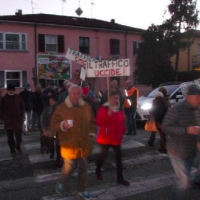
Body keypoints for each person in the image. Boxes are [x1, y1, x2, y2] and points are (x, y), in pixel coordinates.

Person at [50, 84, 96, 199]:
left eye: (78, 93)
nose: (76, 95)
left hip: (83, 144)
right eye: (74, 93)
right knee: (68, 168)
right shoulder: (62, 107)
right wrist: (63, 125)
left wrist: (91, 133)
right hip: (69, 144)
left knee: (83, 168)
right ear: (69, 94)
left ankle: (82, 189)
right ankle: (61, 183)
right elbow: (53, 124)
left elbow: (91, 122)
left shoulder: (86, 106)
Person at [162, 84, 200, 200]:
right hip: (177, 150)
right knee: (183, 181)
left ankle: (197, 180)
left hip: (192, 148)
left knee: (185, 177)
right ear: (188, 97)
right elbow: (165, 127)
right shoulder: (176, 109)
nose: (199, 99)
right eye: (197, 97)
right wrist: (186, 130)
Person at [95, 91, 130, 186]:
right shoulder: (104, 109)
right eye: (114, 98)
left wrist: (123, 129)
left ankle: (120, 177)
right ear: (109, 99)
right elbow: (99, 122)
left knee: (118, 159)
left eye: (117, 98)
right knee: (102, 156)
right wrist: (107, 115)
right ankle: (98, 170)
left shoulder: (119, 109)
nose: (116, 100)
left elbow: (121, 122)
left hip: (116, 138)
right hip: (106, 137)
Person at [0, 83, 25, 156]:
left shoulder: (18, 97)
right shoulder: (3, 99)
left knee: (18, 135)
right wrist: (4, 116)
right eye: (10, 90)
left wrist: (21, 114)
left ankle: (18, 146)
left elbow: (22, 106)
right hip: (8, 120)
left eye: (12, 90)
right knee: (10, 136)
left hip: (17, 119)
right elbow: (1, 109)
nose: (11, 91)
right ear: (7, 90)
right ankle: (12, 149)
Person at [41, 94, 62, 166]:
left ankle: (59, 157)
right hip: (50, 129)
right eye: (49, 100)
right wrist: (44, 128)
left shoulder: (58, 109)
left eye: (52, 100)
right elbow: (43, 119)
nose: (50, 102)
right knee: (50, 141)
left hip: (57, 129)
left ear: (55, 101)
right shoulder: (47, 109)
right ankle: (52, 152)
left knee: (57, 143)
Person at [148, 87, 170, 153]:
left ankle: (152, 141)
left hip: (156, 118)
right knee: (162, 133)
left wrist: (151, 112)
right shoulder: (166, 101)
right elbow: (169, 109)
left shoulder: (156, 101)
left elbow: (152, 110)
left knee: (154, 131)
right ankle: (163, 146)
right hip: (164, 119)